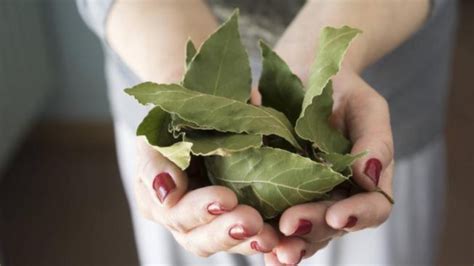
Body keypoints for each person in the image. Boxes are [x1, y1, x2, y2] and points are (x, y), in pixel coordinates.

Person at [77, 0, 457, 265]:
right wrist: (178, 85)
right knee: (195, 225)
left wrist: (327, 55)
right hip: (156, 50)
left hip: (372, 78)